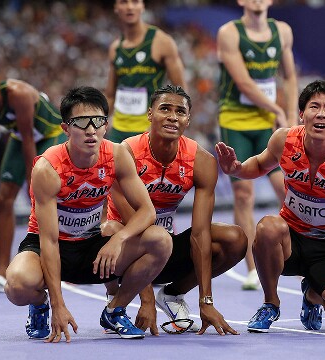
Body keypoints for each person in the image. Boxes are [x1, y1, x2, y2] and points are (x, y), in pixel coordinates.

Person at [3, 86, 172, 342]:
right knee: (16, 285)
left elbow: (147, 211)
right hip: (49, 245)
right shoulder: (48, 169)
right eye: (82, 123)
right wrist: (59, 306)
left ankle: (115, 310)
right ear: (66, 128)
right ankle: (40, 304)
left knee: (161, 240)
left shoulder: (116, 155)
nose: (91, 130)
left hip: (91, 247)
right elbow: (49, 241)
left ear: (106, 125)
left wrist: (119, 239)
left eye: (98, 121)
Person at [216, 80, 325, 333]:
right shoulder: (284, 140)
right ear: (302, 114)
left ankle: (312, 294)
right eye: (314, 107)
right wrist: (237, 169)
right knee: (267, 227)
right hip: (289, 241)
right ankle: (270, 303)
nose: (321, 113)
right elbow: (258, 164)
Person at [102, 85, 247, 335]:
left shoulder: (201, 161)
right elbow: (133, 228)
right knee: (109, 229)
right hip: (124, 250)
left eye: (180, 111)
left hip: (165, 247)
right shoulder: (125, 154)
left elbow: (200, 234)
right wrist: (146, 302)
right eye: (165, 109)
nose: (172, 116)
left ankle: (173, 293)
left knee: (234, 239)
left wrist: (206, 301)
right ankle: (117, 299)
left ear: (188, 119)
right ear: (150, 114)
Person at [216, 0, 298, 290]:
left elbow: (289, 77)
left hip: (267, 125)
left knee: (285, 188)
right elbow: (244, 83)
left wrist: (289, 115)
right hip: (236, 121)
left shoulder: (283, 32)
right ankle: (253, 268)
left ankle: (294, 255)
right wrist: (277, 110)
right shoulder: (229, 33)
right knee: (243, 194)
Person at [0, 73, 67, 294]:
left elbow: (29, 138)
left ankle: (63, 266)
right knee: (3, 198)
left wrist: (33, 180)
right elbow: (23, 136)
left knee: (50, 197)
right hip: (20, 136)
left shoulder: (17, 93)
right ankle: (1, 272)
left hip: (49, 135)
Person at [105, 0, 186, 143]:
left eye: (135, 2)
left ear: (142, 6)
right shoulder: (115, 48)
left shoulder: (162, 42)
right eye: (124, 2)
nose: (130, 7)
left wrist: (167, 126)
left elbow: (181, 92)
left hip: (148, 129)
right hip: (118, 131)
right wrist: (100, 123)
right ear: (116, 7)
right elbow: (110, 95)